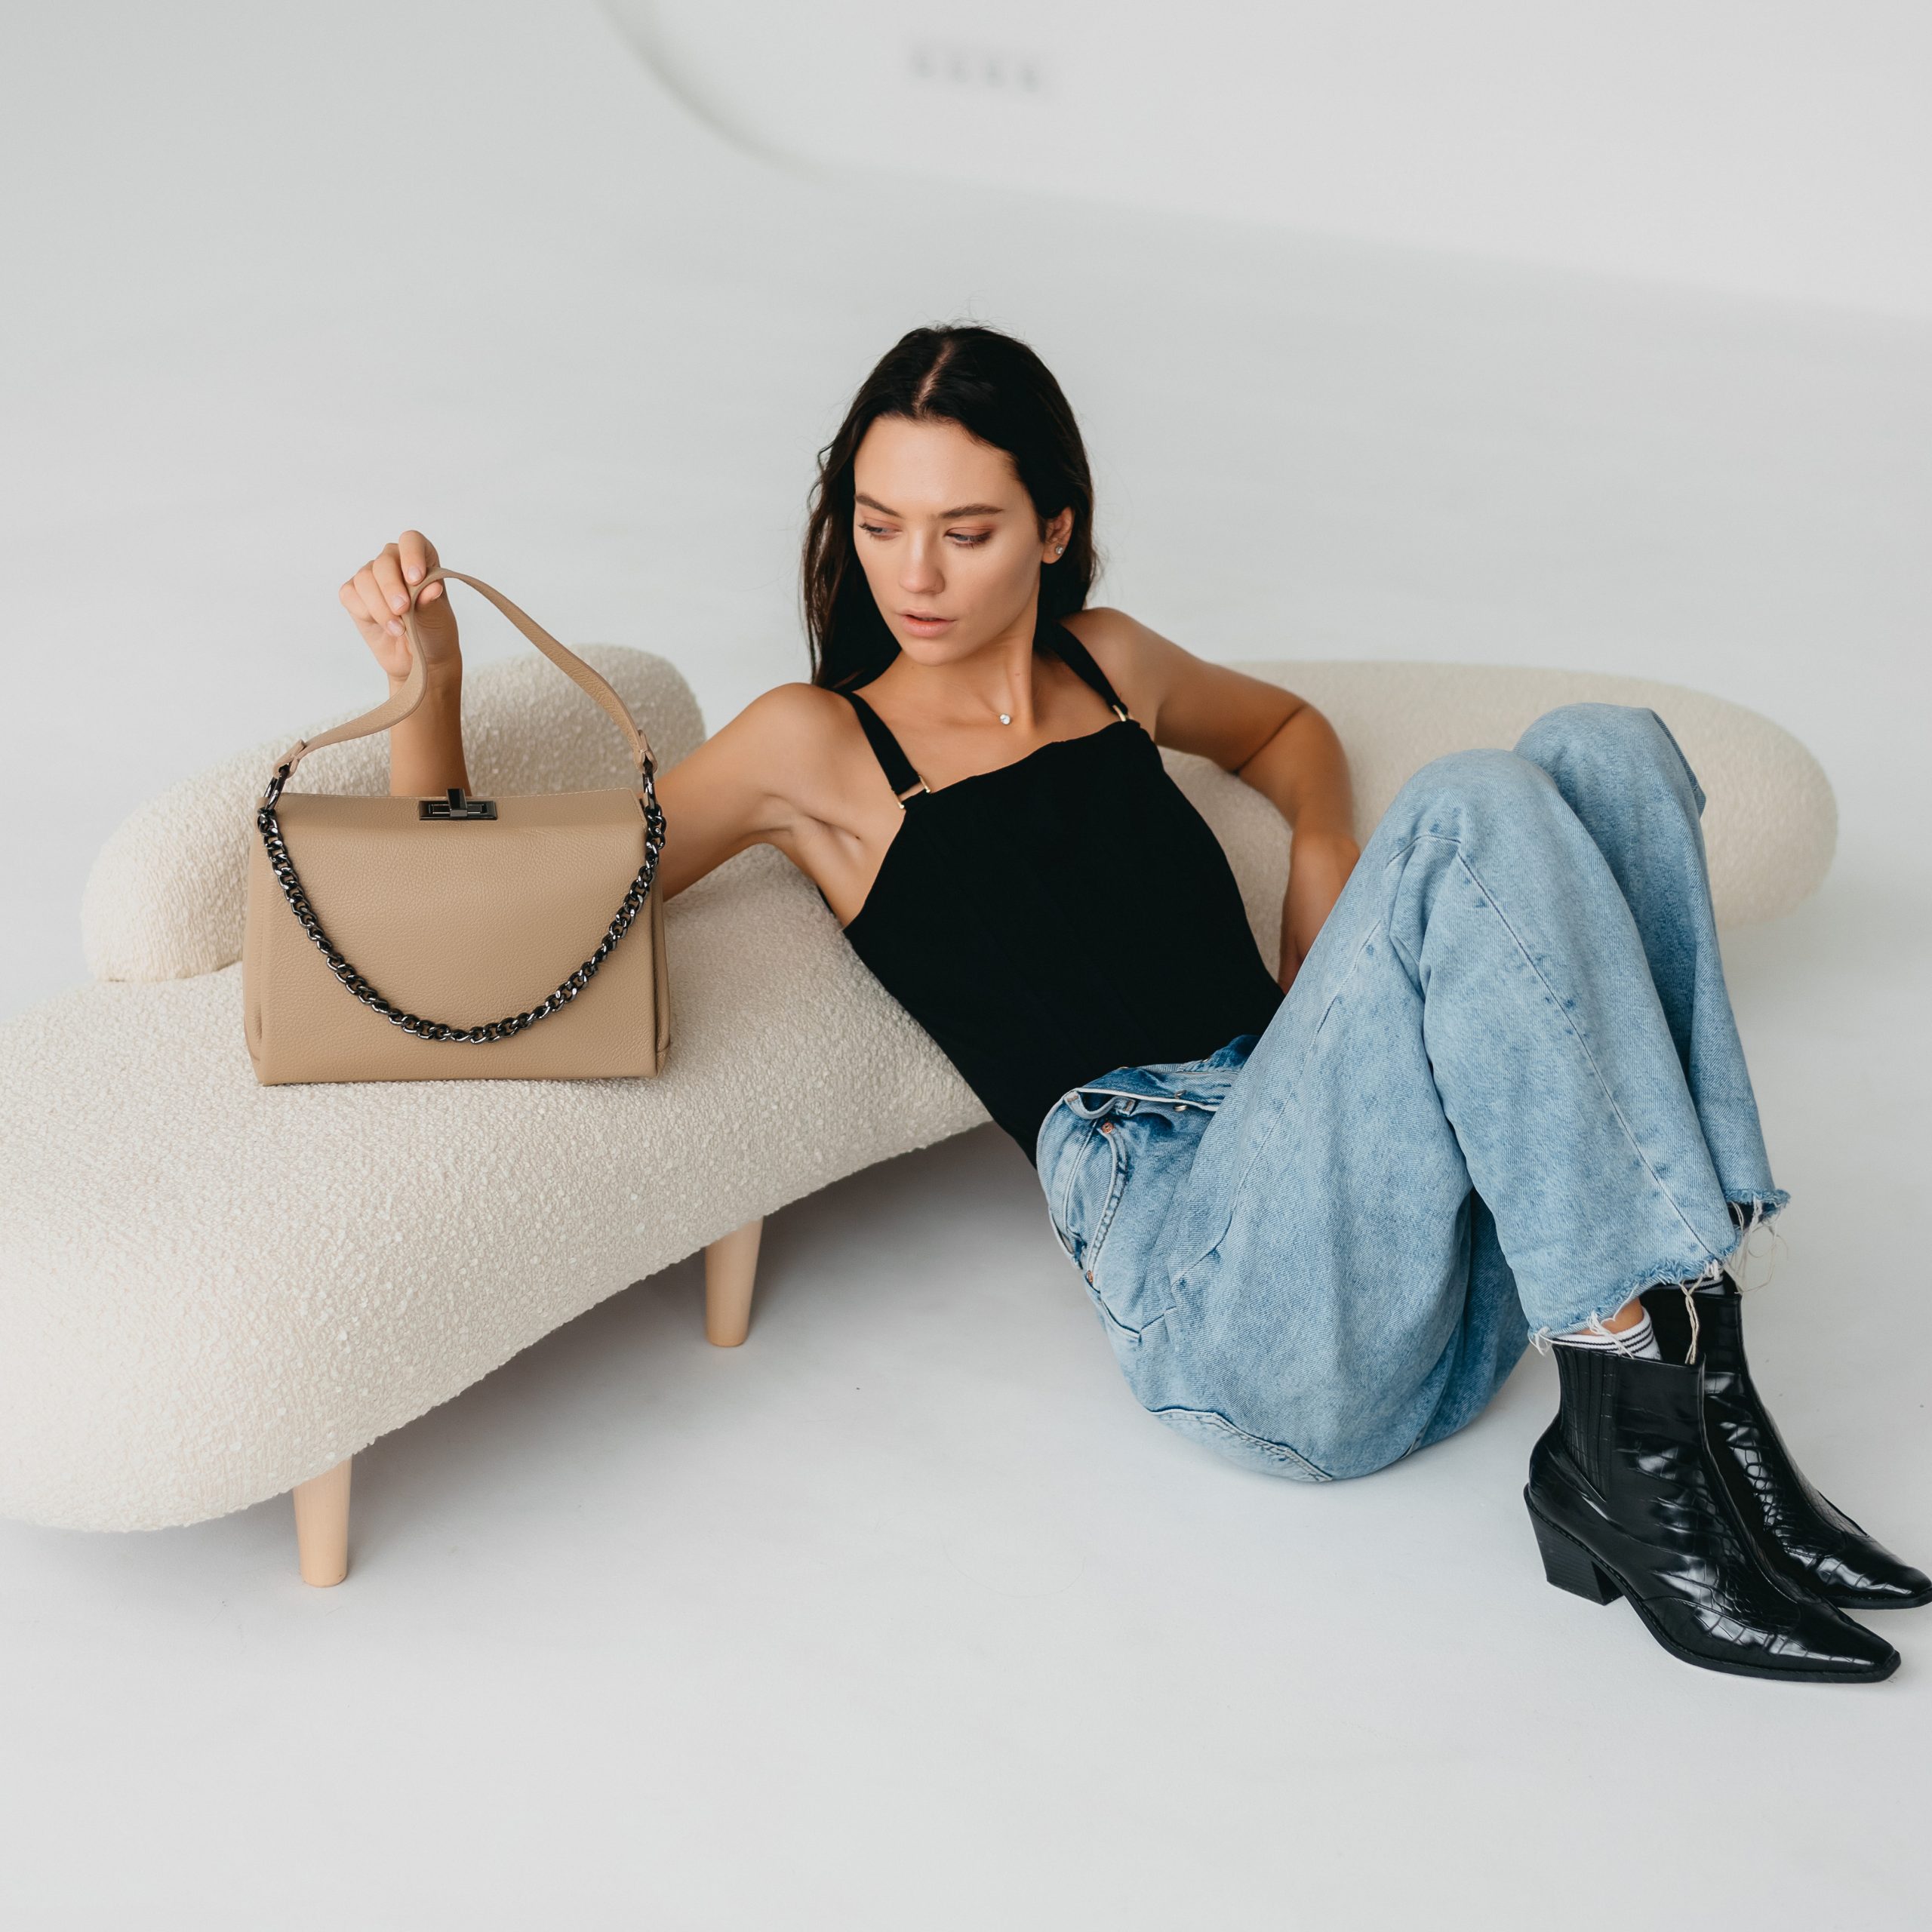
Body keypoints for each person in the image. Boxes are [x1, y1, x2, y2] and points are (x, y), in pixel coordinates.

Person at [339, 323, 1924, 1681]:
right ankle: (1638, 1445)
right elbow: (521, 926)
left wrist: (1319, 856)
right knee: (1475, 803)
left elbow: (1287, 731)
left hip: (1393, 1236)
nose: (914, 574)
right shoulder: (811, 747)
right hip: (1226, 1304)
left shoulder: (1108, 664)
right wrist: (432, 694)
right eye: (879, 525)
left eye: (965, 529)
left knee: (1605, 750)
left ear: (1053, 526)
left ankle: (1691, 1403)